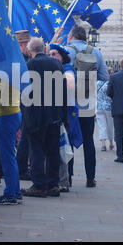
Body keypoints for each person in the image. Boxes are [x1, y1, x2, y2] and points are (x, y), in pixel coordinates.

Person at [21, 38, 67, 198]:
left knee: (36, 150)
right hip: (54, 113)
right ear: (43, 49)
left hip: (35, 114)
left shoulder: (29, 65)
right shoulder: (56, 64)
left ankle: (39, 185)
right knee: (53, 149)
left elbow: (25, 91)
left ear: (30, 50)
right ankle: (53, 184)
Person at [65, 25, 109, 188]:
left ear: (71, 36)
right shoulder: (95, 52)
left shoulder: (66, 50)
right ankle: (90, 177)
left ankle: (68, 177)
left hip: (70, 103)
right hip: (88, 103)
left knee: (69, 139)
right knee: (88, 141)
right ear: (85, 37)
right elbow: (104, 76)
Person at [49, 43, 82, 192]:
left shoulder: (67, 69)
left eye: (54, 54)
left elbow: (69, 82)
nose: (51, 57)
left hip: (67, 113)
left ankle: (66, 178)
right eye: (50, 54)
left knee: (66, 145)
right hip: (56, 111)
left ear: (62, 57)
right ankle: (61, 177)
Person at [0, 75, 23, 205]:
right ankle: (15, 191)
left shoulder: (3, 76)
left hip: (6, 116)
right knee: (10, 156)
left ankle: (10, 194)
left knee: (7, 156)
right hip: (14, 113)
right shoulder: (12, 73)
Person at [15, 30, 32, 180]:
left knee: (25, 135)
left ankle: (22, 165)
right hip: (22, 101)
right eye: (28, 43)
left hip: (24, 101)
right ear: (23, 44)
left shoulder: (24, 57)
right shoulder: (20, 59)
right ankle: (21, 167)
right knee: (24, 136)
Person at [96, 76, 114, 152]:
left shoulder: (97, 83)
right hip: (109, 107)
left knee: (102, 126)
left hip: (99, 107)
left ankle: (103, 144)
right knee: (110, 126)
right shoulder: (109, 83)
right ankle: (111, 143)